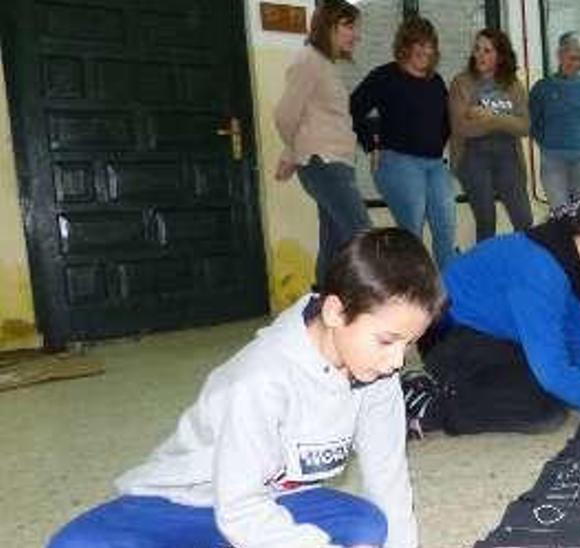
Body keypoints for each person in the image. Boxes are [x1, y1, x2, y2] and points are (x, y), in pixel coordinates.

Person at [49, 229, 442, 548]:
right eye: (388, 341)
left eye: (408, 345)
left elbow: (387, 477)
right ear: (335, 312)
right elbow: (238, 509)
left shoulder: (377, 374)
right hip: (185, 502)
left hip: (276, 500)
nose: (398, 362)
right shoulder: (262, 378)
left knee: (369, 525)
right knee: (75, 546)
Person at [416, 191, 580, 435]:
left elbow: (577, 332)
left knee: (566, 384)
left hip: (487, 335)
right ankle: (431, 406)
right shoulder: (542, 269)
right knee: (544, 409)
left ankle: (460, 388)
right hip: (448, 339)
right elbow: (553, 373)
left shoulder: (568, 259)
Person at [274, 0, 370, 284]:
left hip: (332, 163)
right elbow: (284, 115)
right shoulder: (309, 60)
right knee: (361, 234)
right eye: (349, 26)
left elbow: (311, 116)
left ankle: (320, 306)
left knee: (335, 243)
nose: (356, 34)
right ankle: (375, 307)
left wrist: (292, 152)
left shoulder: (323, 63)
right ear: (328, 26)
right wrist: (292, 151)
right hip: (323, 163)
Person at [351, 16, 456, 267]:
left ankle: (450, 292)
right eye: (417, 44)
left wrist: (436, 145)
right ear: (405, 46)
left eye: (428, 44)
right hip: (399, 161)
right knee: (412, 232)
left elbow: (446, 123)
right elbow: (353, 109)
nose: (423, 50)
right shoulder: (385, 76)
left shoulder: (437, 82)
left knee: (446, 227)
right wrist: (371, 145)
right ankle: (413, 295)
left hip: (434, 163)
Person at [450, 28, 533, 242]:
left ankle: (524, 268)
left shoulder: (513, 84)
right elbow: (461, 127)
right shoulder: (461, 83)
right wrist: (505, 121)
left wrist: (488, 117)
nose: (480, 55)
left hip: (508, 156)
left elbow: (524, 126)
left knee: (524, 219)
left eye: (487, 50)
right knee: (486, 221)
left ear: (500, 55)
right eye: (477, 49)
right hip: (473, 156)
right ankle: (485, 271)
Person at [530, 32, 580, 209]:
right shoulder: (542, 88)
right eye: (573, 58)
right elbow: (533, 122)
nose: (577, 64)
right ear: (560, 55)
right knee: (560, 214)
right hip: (553, 161)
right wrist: (546, 145)